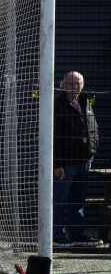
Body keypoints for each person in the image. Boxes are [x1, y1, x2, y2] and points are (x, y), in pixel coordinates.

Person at [53, 71, 101, 248]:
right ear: (63, 85)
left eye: (78, 83)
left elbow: (92, 127)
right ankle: (56, 237)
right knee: (60, 199)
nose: (75, 87)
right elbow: (54, 136)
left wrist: (93, 149)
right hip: (66, 163)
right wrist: (57, 164)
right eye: (71, 83)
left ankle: (76, 235)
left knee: (78, 200)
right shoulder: (58, 104)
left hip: (84, 160)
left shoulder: (86, 101)